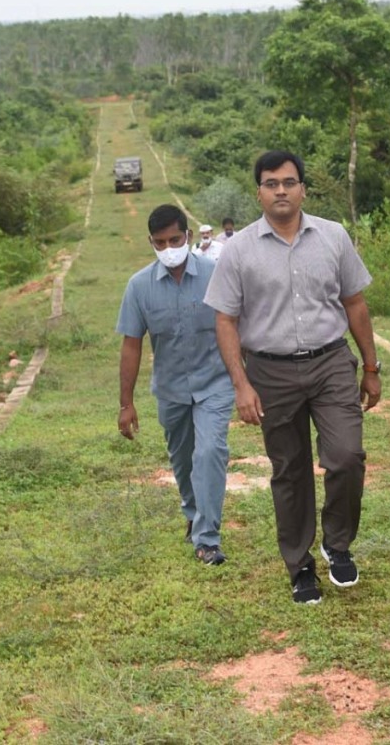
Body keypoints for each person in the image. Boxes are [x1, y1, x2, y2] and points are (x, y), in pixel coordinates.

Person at [205, 150, 381, 605]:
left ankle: (337, 545)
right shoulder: (239, 248)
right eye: (270, 183)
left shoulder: (333, 237)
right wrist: (242, 385)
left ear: (303, 188)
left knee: (346, 456)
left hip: (330, 363)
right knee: (290, 471)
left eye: (288, 182)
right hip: (270, 371)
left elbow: (355, 303)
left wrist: (371, 366)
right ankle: (300, 566)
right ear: (259, 192)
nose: (280, 190)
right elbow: (225, 320)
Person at [117, 204, 235, 566]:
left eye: (175, 239)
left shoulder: (217, 274)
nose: (169, 248)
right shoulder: (139, 287)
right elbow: (132, 345)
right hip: (170, 389)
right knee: (183, 460)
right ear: (150, 243)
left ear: (188, 236)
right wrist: (126, 403)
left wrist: (248, 382)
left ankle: (207, 539)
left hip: (215, 382)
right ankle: (192, 512)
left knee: (210, 451)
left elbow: (235, 328)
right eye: (160, 242)